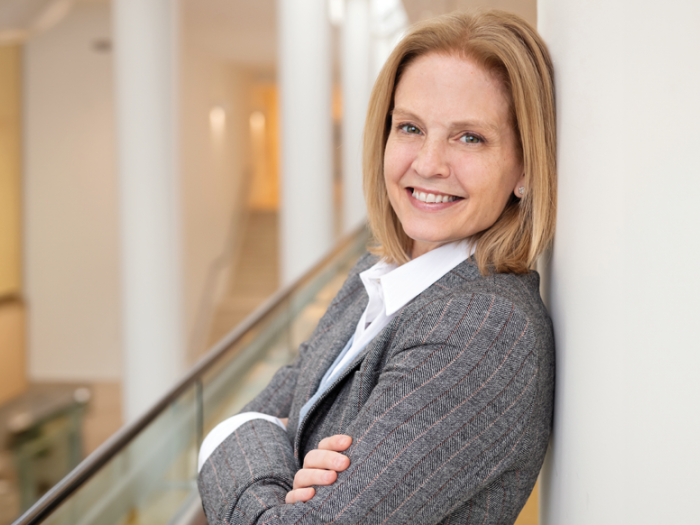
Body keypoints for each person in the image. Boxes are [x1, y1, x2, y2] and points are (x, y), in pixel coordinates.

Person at [198, 9, 556, 525]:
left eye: (469, 137)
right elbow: (269, 401)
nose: (429, 163)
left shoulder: (481, 329)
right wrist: (278, 453)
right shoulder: (381, 273)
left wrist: (237, 440)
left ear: (524, 167)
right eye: (410, 127)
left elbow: (246, 426)